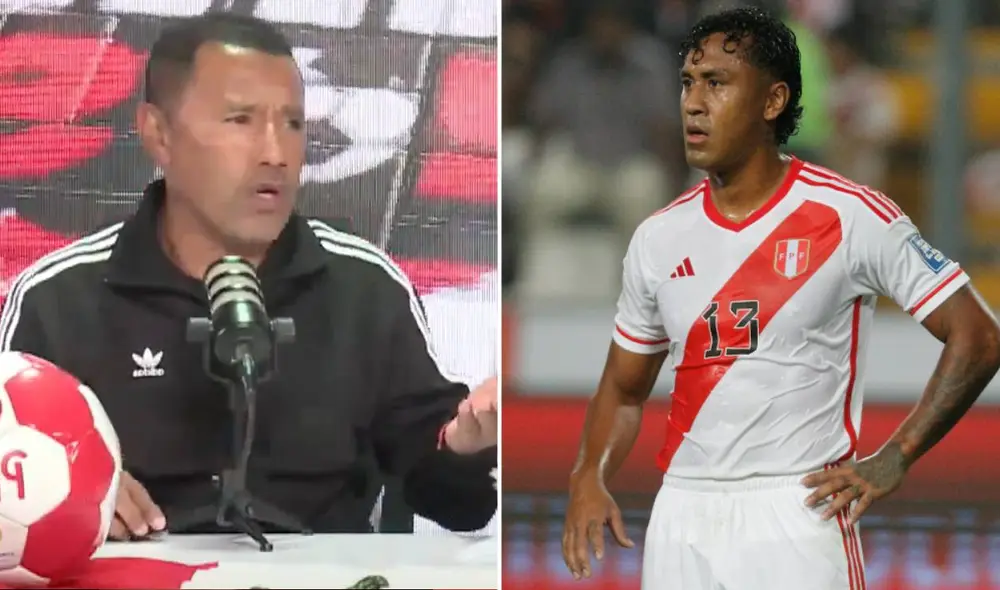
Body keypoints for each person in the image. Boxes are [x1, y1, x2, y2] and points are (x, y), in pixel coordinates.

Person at [0, 13, 497, 538]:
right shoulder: (57, 299)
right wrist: (67, 492)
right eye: (240, 120)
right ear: (159, 134)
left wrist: (465, 446)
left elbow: (456, 504)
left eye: (294, 124)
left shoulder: (366, 288)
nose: (276, 154)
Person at [561, 7, 1000, 589]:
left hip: (796, 510)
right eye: (688, 83)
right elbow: (623, 389)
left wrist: (897, 454)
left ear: (772, 101)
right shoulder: (657, 238)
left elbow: (979, 335)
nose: (694, 103)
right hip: (681, 513)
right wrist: (588, 477)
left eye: (717, 83)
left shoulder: (849, 215)